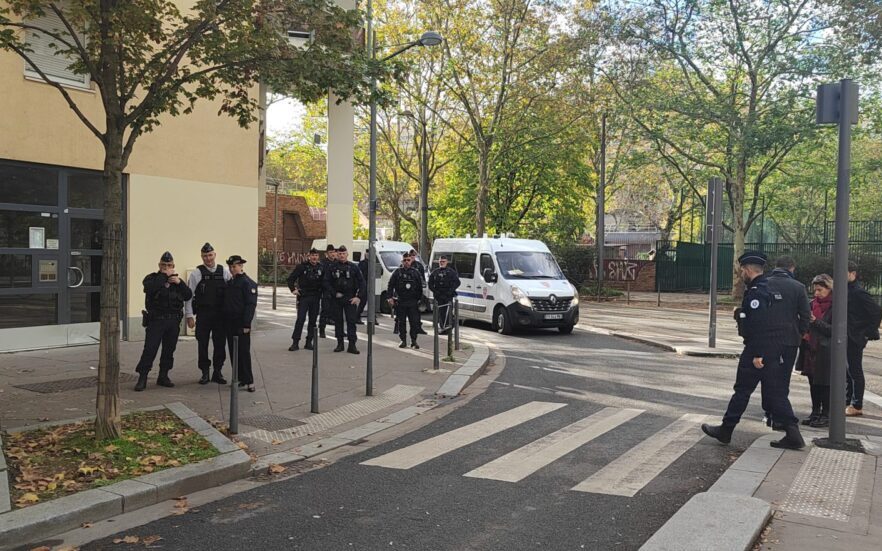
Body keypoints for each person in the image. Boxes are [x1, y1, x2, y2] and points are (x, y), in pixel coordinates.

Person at [701, 251, 804, 450]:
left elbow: (759, 324)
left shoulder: (757, 291)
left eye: (741, 271)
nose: (741, 274)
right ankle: (791, 433)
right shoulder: (767, 287)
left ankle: (727, 429)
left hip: (759, 349)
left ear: (747, 270)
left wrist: (758, 354)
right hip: (775, 347)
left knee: (743, 390)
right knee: (775, 392)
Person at [763, 256, 811, 429]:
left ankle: (769, 412)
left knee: (768, 376)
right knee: (783, 379)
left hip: (767, 339)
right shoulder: (798, 287)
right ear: (792, 269)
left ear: (776, 267)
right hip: (789, 340)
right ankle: (781, 417)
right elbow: (805, 314)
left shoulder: (764, 283)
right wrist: (800, 332)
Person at [134, 251, 192, 391]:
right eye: (164, 265)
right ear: (159, 265)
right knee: (150, 349)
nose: (166, 267)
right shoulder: (152, 278)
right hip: (156, 321)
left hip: (173, 321)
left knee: (169, 350)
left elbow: (188, 295)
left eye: (169, 265)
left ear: (173, 265)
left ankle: (163, 375)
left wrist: (180, 283)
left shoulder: (176, 282)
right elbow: (150, 288)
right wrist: (163, 276)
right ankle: (142, 377)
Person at [185, 242, 231, 385]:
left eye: (210, 255)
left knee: (220, 344)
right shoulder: (196, 273)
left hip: (220, 315)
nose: (208, 258)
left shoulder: (224, 271)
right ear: (201, 257)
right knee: (202, 344)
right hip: (204, 314)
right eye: (205, 256)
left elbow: (232, 292)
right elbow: (188, 295)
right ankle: (205, 372)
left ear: (215, 255)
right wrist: (189, 315)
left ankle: (218, 371)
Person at [795, 274, 834, 428]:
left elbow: (834, 330)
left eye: (820, 290)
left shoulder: (835, 306)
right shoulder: (811, 304)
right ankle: (815, 411)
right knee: (813, 382)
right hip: (810, 348)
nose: (816, 293)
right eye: (815, 290)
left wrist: (815, 321)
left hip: (826, 349)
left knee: (825, 383)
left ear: (829, 289)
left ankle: (826, 414)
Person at [845, 261, 882, 416]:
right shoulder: (847, 290)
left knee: (854, 370)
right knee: (847, 370)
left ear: (853, 273)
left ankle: (857, 404)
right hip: (848, 335)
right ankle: (848, 401)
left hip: (854, 336)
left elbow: (876, 311)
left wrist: (866, 332)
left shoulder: (858, 292)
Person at [223, 255, 258, 392]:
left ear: (241, 266)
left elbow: (250, 305)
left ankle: (249, 381)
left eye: (235, 266)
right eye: (231, 267)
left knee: (243, 351)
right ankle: (238, 378)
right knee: (233, 351)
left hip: (241, 323)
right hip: (229, 322)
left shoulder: (247, 283)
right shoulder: (231, 282)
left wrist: (246, 325)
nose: (232, 269)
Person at [324, 245, 365, 354]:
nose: (342, 256)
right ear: (337, 255)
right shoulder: (332, 267)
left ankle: (352, 345)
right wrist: (333, 293)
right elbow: (326, 282)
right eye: (340, 254)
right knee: (338, 321)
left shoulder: (353, 267)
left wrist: (358, 296)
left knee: (351, 321)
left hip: (350, 297)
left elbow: (362, 282)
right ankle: (340, 343)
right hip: (337, 298)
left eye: (344, 253)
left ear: (347, 254)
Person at [286, 248, 324, 351]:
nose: (314, 257)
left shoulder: (322, 267)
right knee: (300, 319)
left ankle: (309, 342)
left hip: (316, 297)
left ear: (318, 257)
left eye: (316, 255)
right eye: (312, 255)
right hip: (304, 297)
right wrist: (293, 289)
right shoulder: (302, 267)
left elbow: (325, 282)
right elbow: (290, 279)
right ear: (309, 256)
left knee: (312, 321)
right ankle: (295, 342)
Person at [388, 253, 425, 349]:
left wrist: (418, 300)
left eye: (408, 260)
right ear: (402, 261)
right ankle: (403, 340)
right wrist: (390, 297)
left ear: (411, 260)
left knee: (414, 323)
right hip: (401, 301)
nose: (406, 262)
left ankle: (414, 341)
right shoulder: (397, 272)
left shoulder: (415, 273)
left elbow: (420, 288)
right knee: (401, 322)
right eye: (404, 260)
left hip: (412, 302)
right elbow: (390, 285)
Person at [428, 255, 461, 331]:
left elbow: (457, 282)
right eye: (440, 261)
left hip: (448, 295)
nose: (442, 263)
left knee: (448, 312)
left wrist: (450, 291)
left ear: (446, 262)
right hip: (439, 296)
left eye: (443, 261)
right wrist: (436, 292)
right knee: (441, 312)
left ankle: (448, 328)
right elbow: (430, 284)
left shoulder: (451, 272)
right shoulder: (435, 272)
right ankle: (443, 327)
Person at [318, 244, 337, 339]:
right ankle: (322, 329)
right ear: (326, 254)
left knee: (337, 312)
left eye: (334, 252)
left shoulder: (337, 262)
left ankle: (339, 330)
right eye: (330, 252)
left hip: (336, 291)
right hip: (326, 290)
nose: (333, 254)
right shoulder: (323, 263)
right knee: (325, 311)